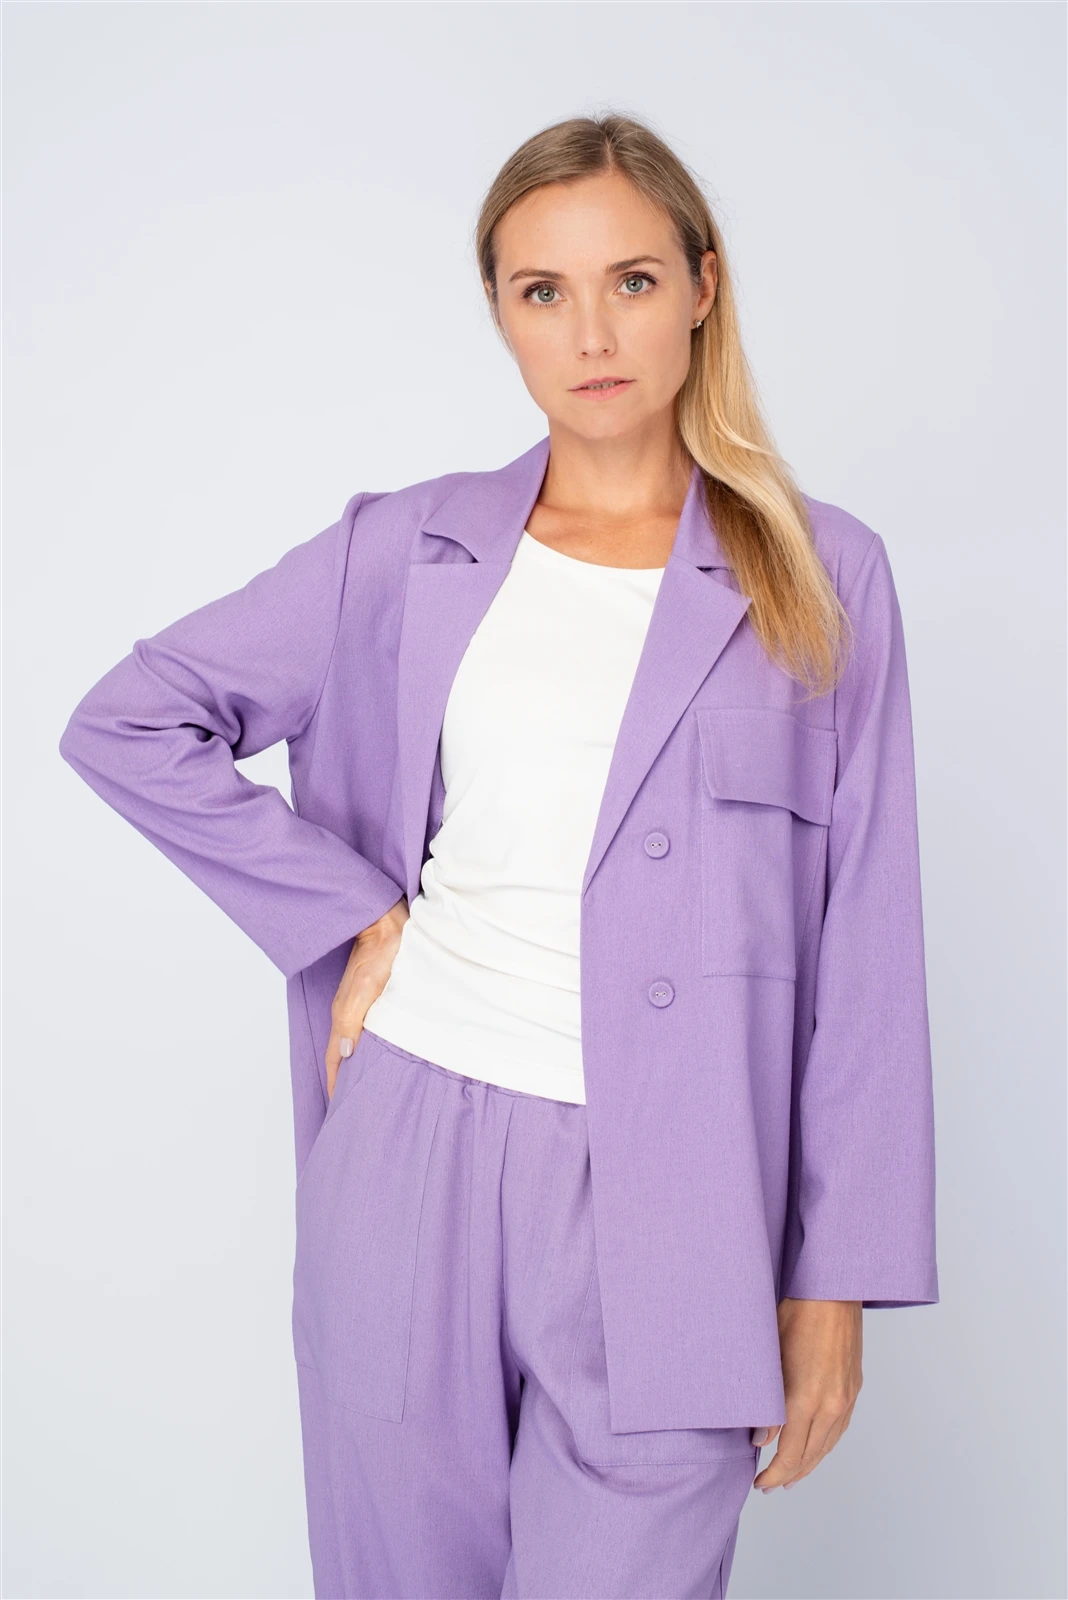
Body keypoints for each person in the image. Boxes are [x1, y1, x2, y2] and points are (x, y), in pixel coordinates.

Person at [59, 112, 939, 1600]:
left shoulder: (819, 569)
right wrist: (353, 917)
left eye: (632, 281)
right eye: (543, 290)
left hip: (688, 1209)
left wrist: (836, 1281)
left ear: (703, 286)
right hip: (411, 1157)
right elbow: (131, 722)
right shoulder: (403, 550)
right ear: (498, 312)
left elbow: (868, 945)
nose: (591, 332)